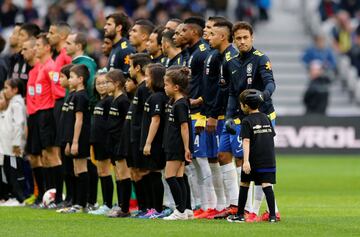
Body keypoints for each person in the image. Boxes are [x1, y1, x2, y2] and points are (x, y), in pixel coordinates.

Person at [227, 21, 280, 221]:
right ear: (233, 40)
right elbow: (232, 93)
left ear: (252, 38)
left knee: (260, 162)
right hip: (244, 117)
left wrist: (263, 96)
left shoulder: (261, 59)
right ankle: (259, 210)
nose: (242, 42)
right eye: (238, 38)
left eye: (245, 38)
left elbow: (270, 83)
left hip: (265, 116)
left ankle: (256, 212)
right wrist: (230, 115)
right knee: (245, 162)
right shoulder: (231, 62)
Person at [227, 89, 277, 223]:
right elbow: (271, 137)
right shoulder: (266, 118)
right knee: (266, 184)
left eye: (241, 104)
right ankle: (273, 216)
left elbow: (246, 141)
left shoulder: (246, 121)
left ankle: (240, 215)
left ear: (246, 106)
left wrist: (246, 161)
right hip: (268, 159)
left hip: (253, 159)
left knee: (244, 183)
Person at [33, 33, 63, 207]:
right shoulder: (42, 66)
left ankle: (57, 196)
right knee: (45, 156)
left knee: (52, 155)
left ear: (46, 48)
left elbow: (56, 90)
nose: (35, 48)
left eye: (38, 45)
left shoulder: (51, 67)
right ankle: (50, 194)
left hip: (48, 112)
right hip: (40, 112)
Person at [163, 66, 193, 220]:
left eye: (166, 84)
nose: (164, 87)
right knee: (180, 177)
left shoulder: (180, 104)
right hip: (176, 144)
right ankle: (187, 210)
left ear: (176, 87)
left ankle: (180, 210)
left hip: (176, 145)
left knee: (170, 176)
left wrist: (187, 147)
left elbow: (184, 126)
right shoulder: (179, 102)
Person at [139, 63, 168, 218]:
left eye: (147, 76)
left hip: (155, 143)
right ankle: (151, 208)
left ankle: (157, 209)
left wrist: (148, 142)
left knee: (155, 174)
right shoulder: (153, 96)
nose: (145, 79)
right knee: (151, 174)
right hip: (150, 142)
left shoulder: (157, 97)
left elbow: (155, 120)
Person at [62, 64, 91, 213]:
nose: (69, 79)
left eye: (72, 77)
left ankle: (82, 203)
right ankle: (77, 202)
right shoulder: (73, 95)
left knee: (81, 168)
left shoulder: (81, 96)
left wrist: (74, 142)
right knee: (76, 169)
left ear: (80, 79)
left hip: (80, 138)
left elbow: (79, 120)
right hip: (73, 138)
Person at [104, 69, 131, 218]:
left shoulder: (123, 101)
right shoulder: (113, 100)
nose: (106, 85)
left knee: (123, 174)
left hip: (121, 142)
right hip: (113, 142)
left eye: (108, 82)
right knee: (118, 175)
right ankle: (120, 204)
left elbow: (126, 124)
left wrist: (123, 143)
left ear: (117, 84)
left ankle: (125, 208)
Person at [87, 70, 113, 215]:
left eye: (104, 83)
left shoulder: (110, 101)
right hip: (96, 141)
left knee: (105, 171)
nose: (101, 86)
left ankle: (108, 204)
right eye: (98, 83)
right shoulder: (98, 101)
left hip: (105, 141)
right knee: (100, 171)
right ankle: (106, 204)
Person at [0, 79, 26, 206]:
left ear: (15, 89)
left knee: (14, 171)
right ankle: (13, 197)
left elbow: (18, 124)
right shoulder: (12, 103)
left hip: (13, 147)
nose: (5, 90)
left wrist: (16, 144)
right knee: (8, 171)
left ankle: (19, 198)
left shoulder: (17, 104)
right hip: (7, 147)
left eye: (6, 88)